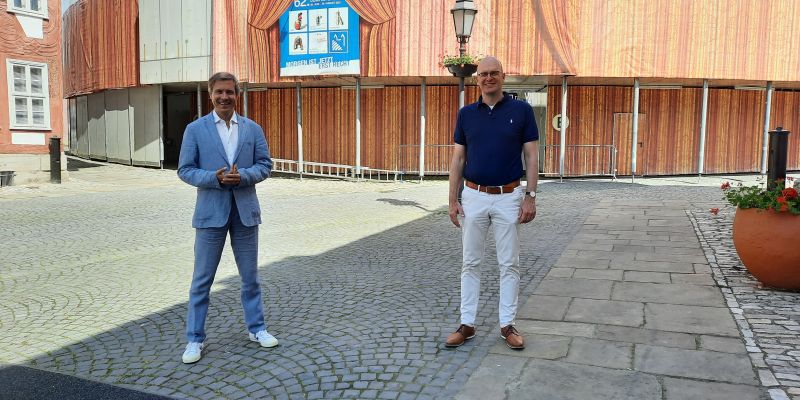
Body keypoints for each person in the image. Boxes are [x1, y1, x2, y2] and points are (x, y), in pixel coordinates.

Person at [178, 72, 277, 364]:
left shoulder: (252, 129)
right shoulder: (195, 130)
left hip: (245, 213)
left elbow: (265, 165)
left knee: (250, 278)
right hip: (210, 214)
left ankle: (257, 329)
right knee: (201, 280)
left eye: (229, 92)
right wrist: (214, 178)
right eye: (219, 92)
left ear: (237, 95)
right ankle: (194, 339)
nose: (224, 97)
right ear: (210, 94)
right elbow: (185, 170)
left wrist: (243, 176)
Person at [446, 56, 539, 350]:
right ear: (477, 79)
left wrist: (530, 196)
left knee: (509, 264)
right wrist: (452, 199)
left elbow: (531, 156)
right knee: (470, 262)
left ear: (503, 76)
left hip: (509, 196)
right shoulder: (466, 114)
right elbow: (458, 158)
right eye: (484, 74)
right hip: (473, 196)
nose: (489, 78)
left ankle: (507, 324)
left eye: (494, 73)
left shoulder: (522, 111)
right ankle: (467, 324)